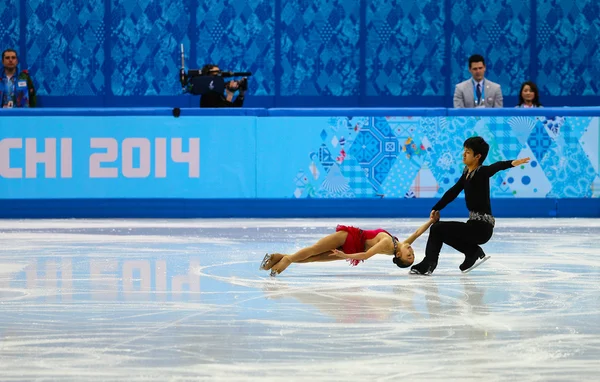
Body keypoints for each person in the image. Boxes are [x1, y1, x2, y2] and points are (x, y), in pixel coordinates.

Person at [410, 136, 530, 276]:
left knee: (437, 229)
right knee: (440, 231)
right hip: (473, 225)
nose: (463, 154)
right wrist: (436, 208)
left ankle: (429, 263)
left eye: (467, 152)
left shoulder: (481, 172)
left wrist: (512, 163)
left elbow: (495, 167)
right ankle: (472, 252)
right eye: (464, 151)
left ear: (477, 156)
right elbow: (453, 192)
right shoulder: (467, 173)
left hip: (481, 228)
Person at [260, 215, 440, 277]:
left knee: (314, 258)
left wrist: (344, 256)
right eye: (413, 254)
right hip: (348, 238)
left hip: (352, 248)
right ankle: (287, 260)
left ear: (399, 256)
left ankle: (276, 257)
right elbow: (417, 233)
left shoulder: (389, 244)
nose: (411, 251)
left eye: (409, 256)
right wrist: (431, 221)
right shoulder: (398, 244)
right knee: (315, 250)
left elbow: (366, 256)